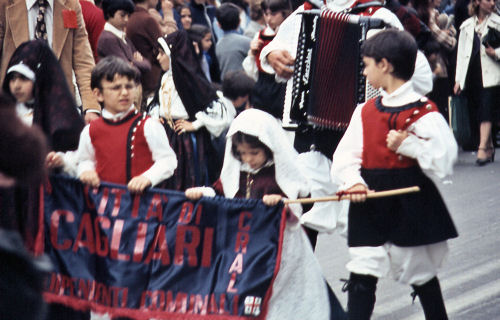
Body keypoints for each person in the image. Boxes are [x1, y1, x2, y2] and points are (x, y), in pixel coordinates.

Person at [331, 29, 458, 320]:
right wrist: (353, 182)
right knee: (363, 269)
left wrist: (410, 145)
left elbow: (445, 157)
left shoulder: (422, 111)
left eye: (366, 65)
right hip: (370, 199)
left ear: (385, 65)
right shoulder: (364, 111)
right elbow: (345, 156)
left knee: (419, 271)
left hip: (409, 201)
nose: (363, 72)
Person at [185, 108, 346, 320]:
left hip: (279, 250)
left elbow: (303, 201)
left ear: (268, 147)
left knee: (287, 298)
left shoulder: (281, 173)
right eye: (242, 154)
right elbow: (220, 189)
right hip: (246, 248)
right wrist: (202, 192)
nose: (248, 159)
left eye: (254, 153)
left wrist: (283, 203)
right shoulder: (237, 172)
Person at [147, 31, 235, 190]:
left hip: (184, 137)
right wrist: (157, 117)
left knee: (185, 175)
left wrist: (195, 125)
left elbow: (215, 108)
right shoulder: (165, 77)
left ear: (172, 53)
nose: (158, 58)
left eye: (161, 53)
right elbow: (157, 102)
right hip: (166, 133)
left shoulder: (189, 79)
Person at [77, 56, 177, 193]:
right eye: (116, 88)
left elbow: (168, 160)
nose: (124, 93)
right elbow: (84, 159)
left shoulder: (148, 125)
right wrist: (86, 170)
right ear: (98, 94)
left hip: (140, 205)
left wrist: (147, 178)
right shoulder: (90, 130)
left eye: (129, 86)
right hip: (104, 205)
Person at [0, 0, 101, 123]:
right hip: (15, 109)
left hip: (60, 109)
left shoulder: (71, 5)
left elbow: (83, 61)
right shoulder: (4, 4)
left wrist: (91, 107)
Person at [454, 0, 500, 164]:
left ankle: (482, 148)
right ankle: (489, 146)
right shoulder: (466, 25)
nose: (492, 3)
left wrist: (495, 53)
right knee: (477, 108)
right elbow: (460, 55)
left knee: (486, 108)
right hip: (472, 73)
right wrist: (458, 80)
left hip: (492, 73)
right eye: (488, 0)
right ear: (478, 2)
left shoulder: (497, 22)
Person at [242, 0, 291, 119]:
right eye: (266, 14)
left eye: (273, 14)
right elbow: (251, 70)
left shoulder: (291, 34)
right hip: (263, 88)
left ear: (284, 13)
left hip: (284, 86)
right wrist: (252, 54)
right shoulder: (259, 35)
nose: (269, 18)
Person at [126, 0, 169, 105]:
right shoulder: (147, 20)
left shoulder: (131, 18)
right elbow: (165, 49)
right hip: (153, 81)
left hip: (141, 80)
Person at [97, 0, 151, 84]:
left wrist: (132, 62)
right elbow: (129, 71)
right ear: (109, 13)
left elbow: (147, 65)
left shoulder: (123, 37)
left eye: (128, 16)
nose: (126, 19)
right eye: (122, 15)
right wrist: (136, 61)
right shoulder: (108, 39)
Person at [215, 2, 251, 79]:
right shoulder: (247, 42)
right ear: (239, 21)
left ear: (218, 25)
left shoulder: (218, 45)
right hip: (245, 84)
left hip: (226, 85)